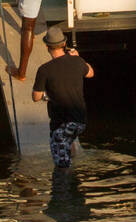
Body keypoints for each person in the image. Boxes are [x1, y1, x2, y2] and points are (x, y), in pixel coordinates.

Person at [31, 26, 93, 168]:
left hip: (61, 127)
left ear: (47, 46)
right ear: (64, 44)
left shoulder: (44, 70)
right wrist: (78, 58)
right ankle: (74, 181)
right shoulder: (77, 61)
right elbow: (90, 73)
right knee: (69, 143)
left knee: (62, 167)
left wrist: (45, 94)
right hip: (80, 121)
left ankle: (65, 185)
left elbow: (35, 97)